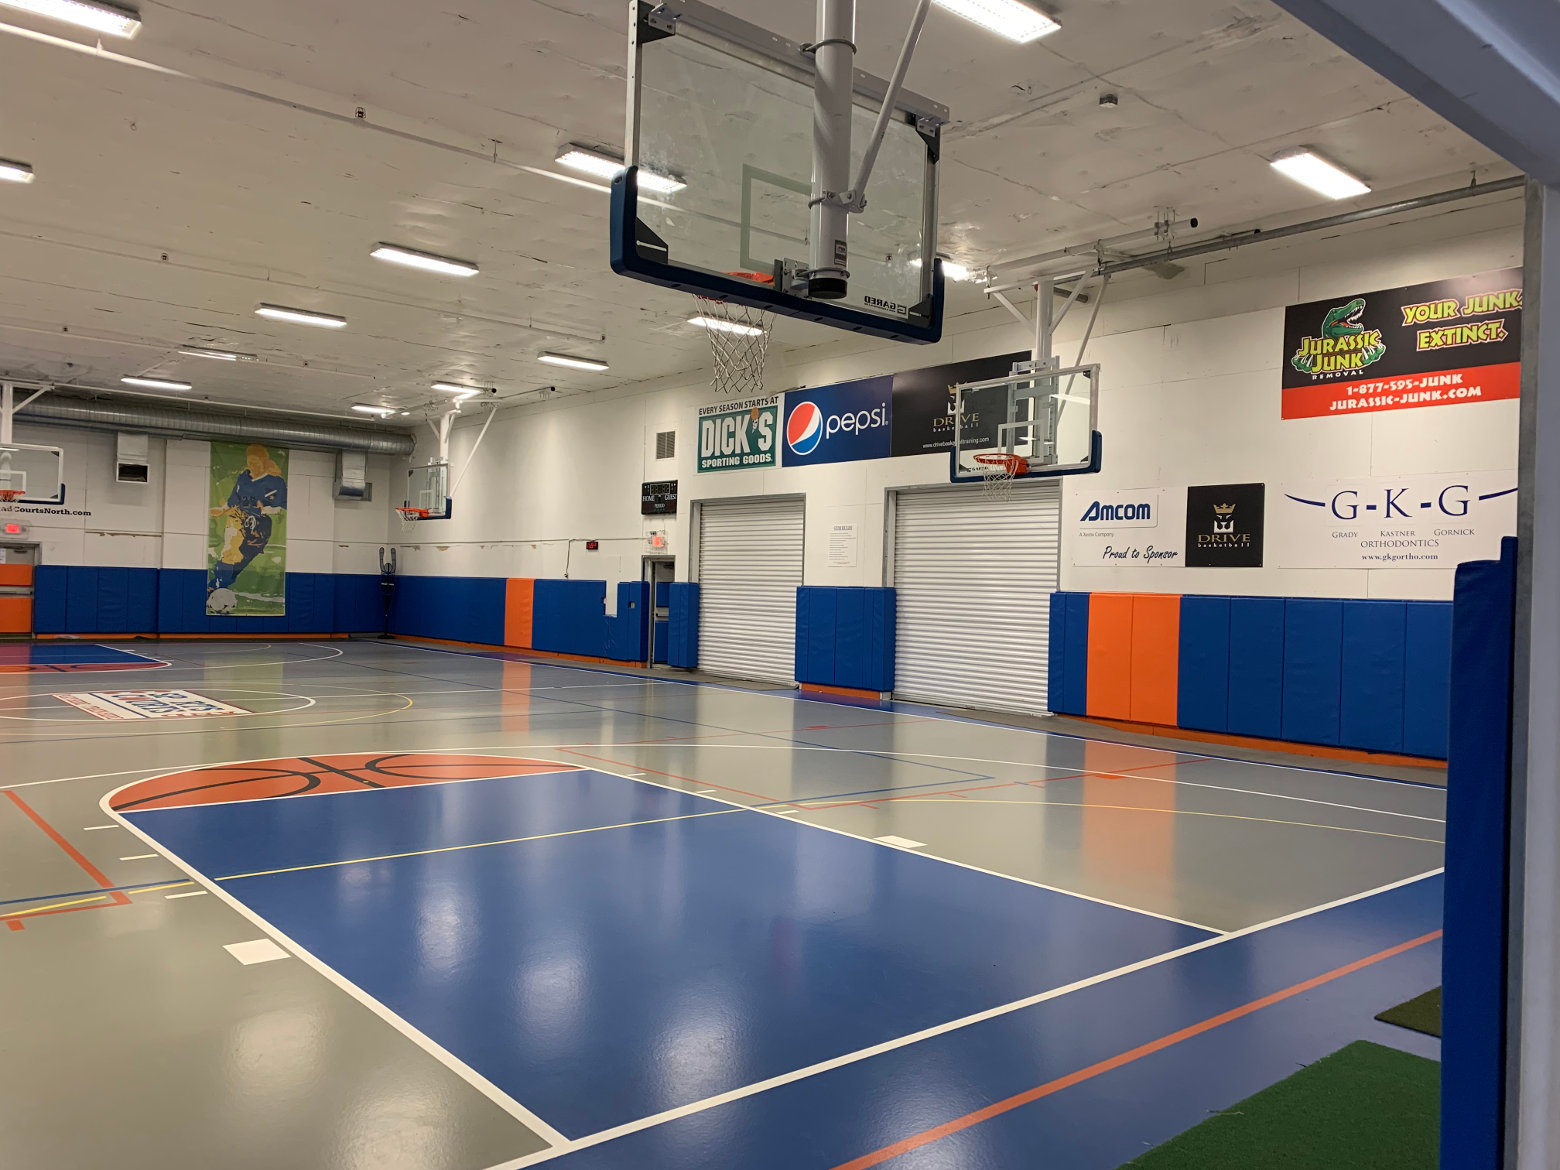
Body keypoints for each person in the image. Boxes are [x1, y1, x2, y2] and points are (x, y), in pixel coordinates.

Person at [209, 445, 286, 598]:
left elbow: (281, 508)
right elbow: (232, 500)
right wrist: (222, 510)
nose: (252, 466)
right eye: (249, 462)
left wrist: (265, 509)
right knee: (230, 549)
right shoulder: (243, 478)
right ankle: (216, 584)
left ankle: (222, 582)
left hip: (261, 525)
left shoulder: (276, 483)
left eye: (255, 462)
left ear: (264, 461)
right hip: (239, 516)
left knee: (242, 557)